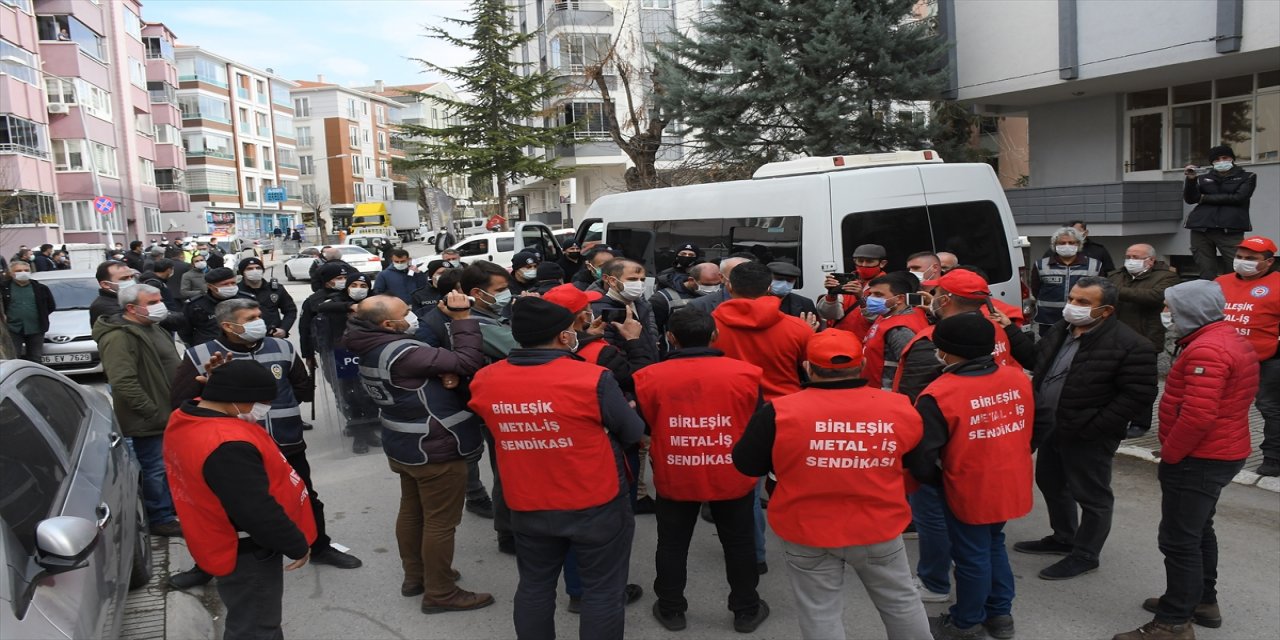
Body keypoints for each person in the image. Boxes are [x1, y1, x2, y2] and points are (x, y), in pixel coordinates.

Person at [732, 329, 931, 640]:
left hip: (806, 529)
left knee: (819, 612)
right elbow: (919, 465)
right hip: (878, 526)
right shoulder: (899, 407)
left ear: (807, 367)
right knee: (901, 602)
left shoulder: (779, 413)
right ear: (862, 364)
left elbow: (747, 464)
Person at [467, 297, 646, 640]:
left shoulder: (485, 379)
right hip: (594, 500)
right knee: (602, 590)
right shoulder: (593, 377)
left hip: (527, 500)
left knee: (534, 585)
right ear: (564, 337)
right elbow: (632, 432)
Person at [167, 299, 361, 589]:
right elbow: (180, 401)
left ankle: (319, 545)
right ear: (228, 325)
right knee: (223, 510)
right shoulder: (201, 354)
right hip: (233, 450)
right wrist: (213, 384)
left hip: (286, 440)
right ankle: (206, 566)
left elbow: (302, 387)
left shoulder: (281, 347)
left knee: (305, 496)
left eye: (259, 315)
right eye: (250, 318)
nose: (260, 322)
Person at [1113, 279, 1260, 640]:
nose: (1167, 313)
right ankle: (1201, 601)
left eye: (1171, 307)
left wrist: (1171, 454)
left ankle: (1173, 623)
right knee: (1198, 530)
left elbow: (1197, 416)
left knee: (1179, 539)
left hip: (1200, 457)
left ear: (1190, 310)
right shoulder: (1224, 337)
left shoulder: (1207, 350)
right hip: (1220, 451)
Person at [346, 294, 495, 612]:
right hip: (435, 448)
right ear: (389, 324)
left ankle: (416, 576)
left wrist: (443, 376)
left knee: (413, 513)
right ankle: (441, 592)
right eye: (406, 312)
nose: (412, 315)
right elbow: (468, 361)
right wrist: (462, 319)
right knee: (441, 522)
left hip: (404, 445)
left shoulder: (370, 345)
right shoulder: (403, 352)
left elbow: (424, 375)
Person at [633, 308, 769, 633]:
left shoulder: (648, 377)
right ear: (714, 336)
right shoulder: (747, 374)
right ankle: (746, 609)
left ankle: (671, 608)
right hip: (732, 472)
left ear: (670, 338)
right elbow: (755, 421)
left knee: (671, 544)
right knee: (739, 543)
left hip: (675, 473)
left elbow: (647, 424)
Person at [1015, 276, 1158, 580]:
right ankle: (1064, 537)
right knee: (1051, 483)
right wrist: (1008, 331)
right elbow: (1036, 360)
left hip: (1088, 435)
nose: (1072, 306)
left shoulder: (1133, 345)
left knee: (1092, 495)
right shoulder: (1062, 329)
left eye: (1082, 302)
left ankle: (1085, 554)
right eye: (1071, 299)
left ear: (1106, 311)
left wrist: (1094, 427)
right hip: (1053, 427)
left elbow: (1137, 396)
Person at [163, 360, 316, 640]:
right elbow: (256, 510)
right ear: (237, 398)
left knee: (259, 621)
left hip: (220, 537)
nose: (264, 408)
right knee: (255, 627)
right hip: (248, 550)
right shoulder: (226, 445)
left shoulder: (189, 417)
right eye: (262, 402)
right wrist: (296, 544)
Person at [906, 314, 1035, 640]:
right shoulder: (1017, 378)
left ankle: (965, 622)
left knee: (971, 555)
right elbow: (1041, 423)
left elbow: (923, 456)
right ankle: (1000, 614)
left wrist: (935, 482)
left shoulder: (940, 393)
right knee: (993, 544)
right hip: (1010, 479)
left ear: (946, 351)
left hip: (967, 487)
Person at [92, 284, 182, 537]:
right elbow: (123, 381)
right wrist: (151, 411)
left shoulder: (153, 327)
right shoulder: (119, 337)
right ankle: (160, 518)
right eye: (152, 302)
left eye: (160, 300)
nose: (160, 306)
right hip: (150, 418)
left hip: (169, 412)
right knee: (155, 469)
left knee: (169, 466)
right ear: (131, 308)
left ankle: (171, 508)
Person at [1214, 235, 1280, 476]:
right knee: (1216, 404)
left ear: (1269, 262)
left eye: (1251, 258)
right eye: (1240, 256)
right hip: (1224, 357)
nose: (1242, 261)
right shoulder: (1220, 282)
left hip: (1268, 360)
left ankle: (1274, 458)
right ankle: (1217, 449)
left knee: (1270, 408)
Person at [300, 268, 380, 453]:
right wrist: (350, 307)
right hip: (340, 357)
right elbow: (322, 308)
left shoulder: (375, 300)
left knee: (369, 394)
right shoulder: (334, 300)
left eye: (363, 286)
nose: (358, 289)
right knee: (349, 395)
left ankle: (370, 429)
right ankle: (358, 432)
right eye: (354, 285)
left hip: (367, 354)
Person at [712, 260, 813, 401]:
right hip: (784, 404)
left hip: (730, 402)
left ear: (729, 287)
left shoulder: (709, 327)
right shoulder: (799, 328)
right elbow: (813, 369)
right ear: (769, 288)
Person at [1108, 244, 1179, 437]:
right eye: (1128, 256)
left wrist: (1115, 291)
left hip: (1145, 338)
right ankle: (1116, 419)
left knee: (1140, 384)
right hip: (1114, 336)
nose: (1130, 260)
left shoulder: (1166, 277)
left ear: (1151, 260)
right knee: (1113, 382)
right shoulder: (1116, 275)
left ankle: (1140, 423)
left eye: (1136, 257)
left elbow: (1154, 296)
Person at [1184, 145, 1257, 279]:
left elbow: (1238, 198)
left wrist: (1204, 198)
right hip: (1201, 228)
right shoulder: (1202, 178)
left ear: (1232, 159)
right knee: (1206, 270)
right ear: (1212, 162)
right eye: (1217, 159)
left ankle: (1233, 292)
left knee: (1235, 268)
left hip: (1230, 229)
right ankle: (1209, 292)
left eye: (1225, 157)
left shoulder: (1247, 176)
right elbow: (1190, 199)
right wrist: (1191, 180)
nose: (1221, 161)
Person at [859, 272, 928, 389]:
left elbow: (916, 368)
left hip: (888, 393)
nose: (871, 299)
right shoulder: (886, 315)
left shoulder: (900, 329)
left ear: (899, 298)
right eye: (870, 294)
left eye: (878, 295)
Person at [1030, 226, 1104, 335]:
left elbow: (1100, 292)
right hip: (1049, 320)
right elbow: (1036, 290)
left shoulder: (1095, 265)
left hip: (1082, 318)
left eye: (1071, 242)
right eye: (1062, 243)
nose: (1067, 245)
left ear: (1079, 244)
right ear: (1055, 245)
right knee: (1048, 345)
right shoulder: (1041, 265)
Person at [588, 258, 661, 362]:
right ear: (612, 281)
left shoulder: (643, 305)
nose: (639, 284)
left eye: (642, 280)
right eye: (632, 279)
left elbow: (652, 335)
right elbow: (608, 350)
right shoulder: (600, 310)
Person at [815, 243, 889, 337]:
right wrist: (832, 295)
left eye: (869, 261)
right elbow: (829, 315)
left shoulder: (888, 285)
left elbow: (878, 317)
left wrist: (861, 298)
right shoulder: (847, 281)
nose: (863, 265)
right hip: (840, 339)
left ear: (882, 263)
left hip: (867, 341)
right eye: (860, 261)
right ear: (854, 261)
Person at [651, 262, 722, 350]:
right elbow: (653, 329)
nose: (714, 289)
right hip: (676, 351)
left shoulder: (721, 295)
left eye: (717, 284)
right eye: (707, 285)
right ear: (691, 280)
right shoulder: (663, 298)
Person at [180, 267, 252, 346]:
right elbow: (185, 331)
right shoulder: (195, 305)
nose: (230, 286)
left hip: (243, 345)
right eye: (225, 284)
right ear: (210, 286)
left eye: (233, 283)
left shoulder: (247, 300)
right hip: (211, 347)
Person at [1, 261, 56, 362]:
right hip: (12, 329)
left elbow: (50, 306)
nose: (23, 273)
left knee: (35, 357)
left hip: (36, 328)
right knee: (13, 358)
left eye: (26, 270)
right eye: (19, 271)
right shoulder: (4, 288)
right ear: (11, 273)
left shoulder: (40, 288)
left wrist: (40, 316)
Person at [238, 257, 298, 338]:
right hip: (245, 336)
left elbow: (290, 311)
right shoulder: (237, 291)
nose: (255, 271)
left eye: (258, 268)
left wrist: (284, 329)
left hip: (272, 336)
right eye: (250, 269)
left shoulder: (276, 289)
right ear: (242, 272)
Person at [1039, 221, 1115, 275]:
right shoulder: (1053, 251)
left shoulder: (1098, 251)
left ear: (1085, 233)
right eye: (1067, 232)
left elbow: (1109, 275)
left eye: (1074, 232)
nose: (1070, 235)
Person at [90, 260, 137, 325]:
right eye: (124, 279)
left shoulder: (127, 298)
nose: (131, 281)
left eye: (132, 277)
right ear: (105, 284)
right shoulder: (104, 306)